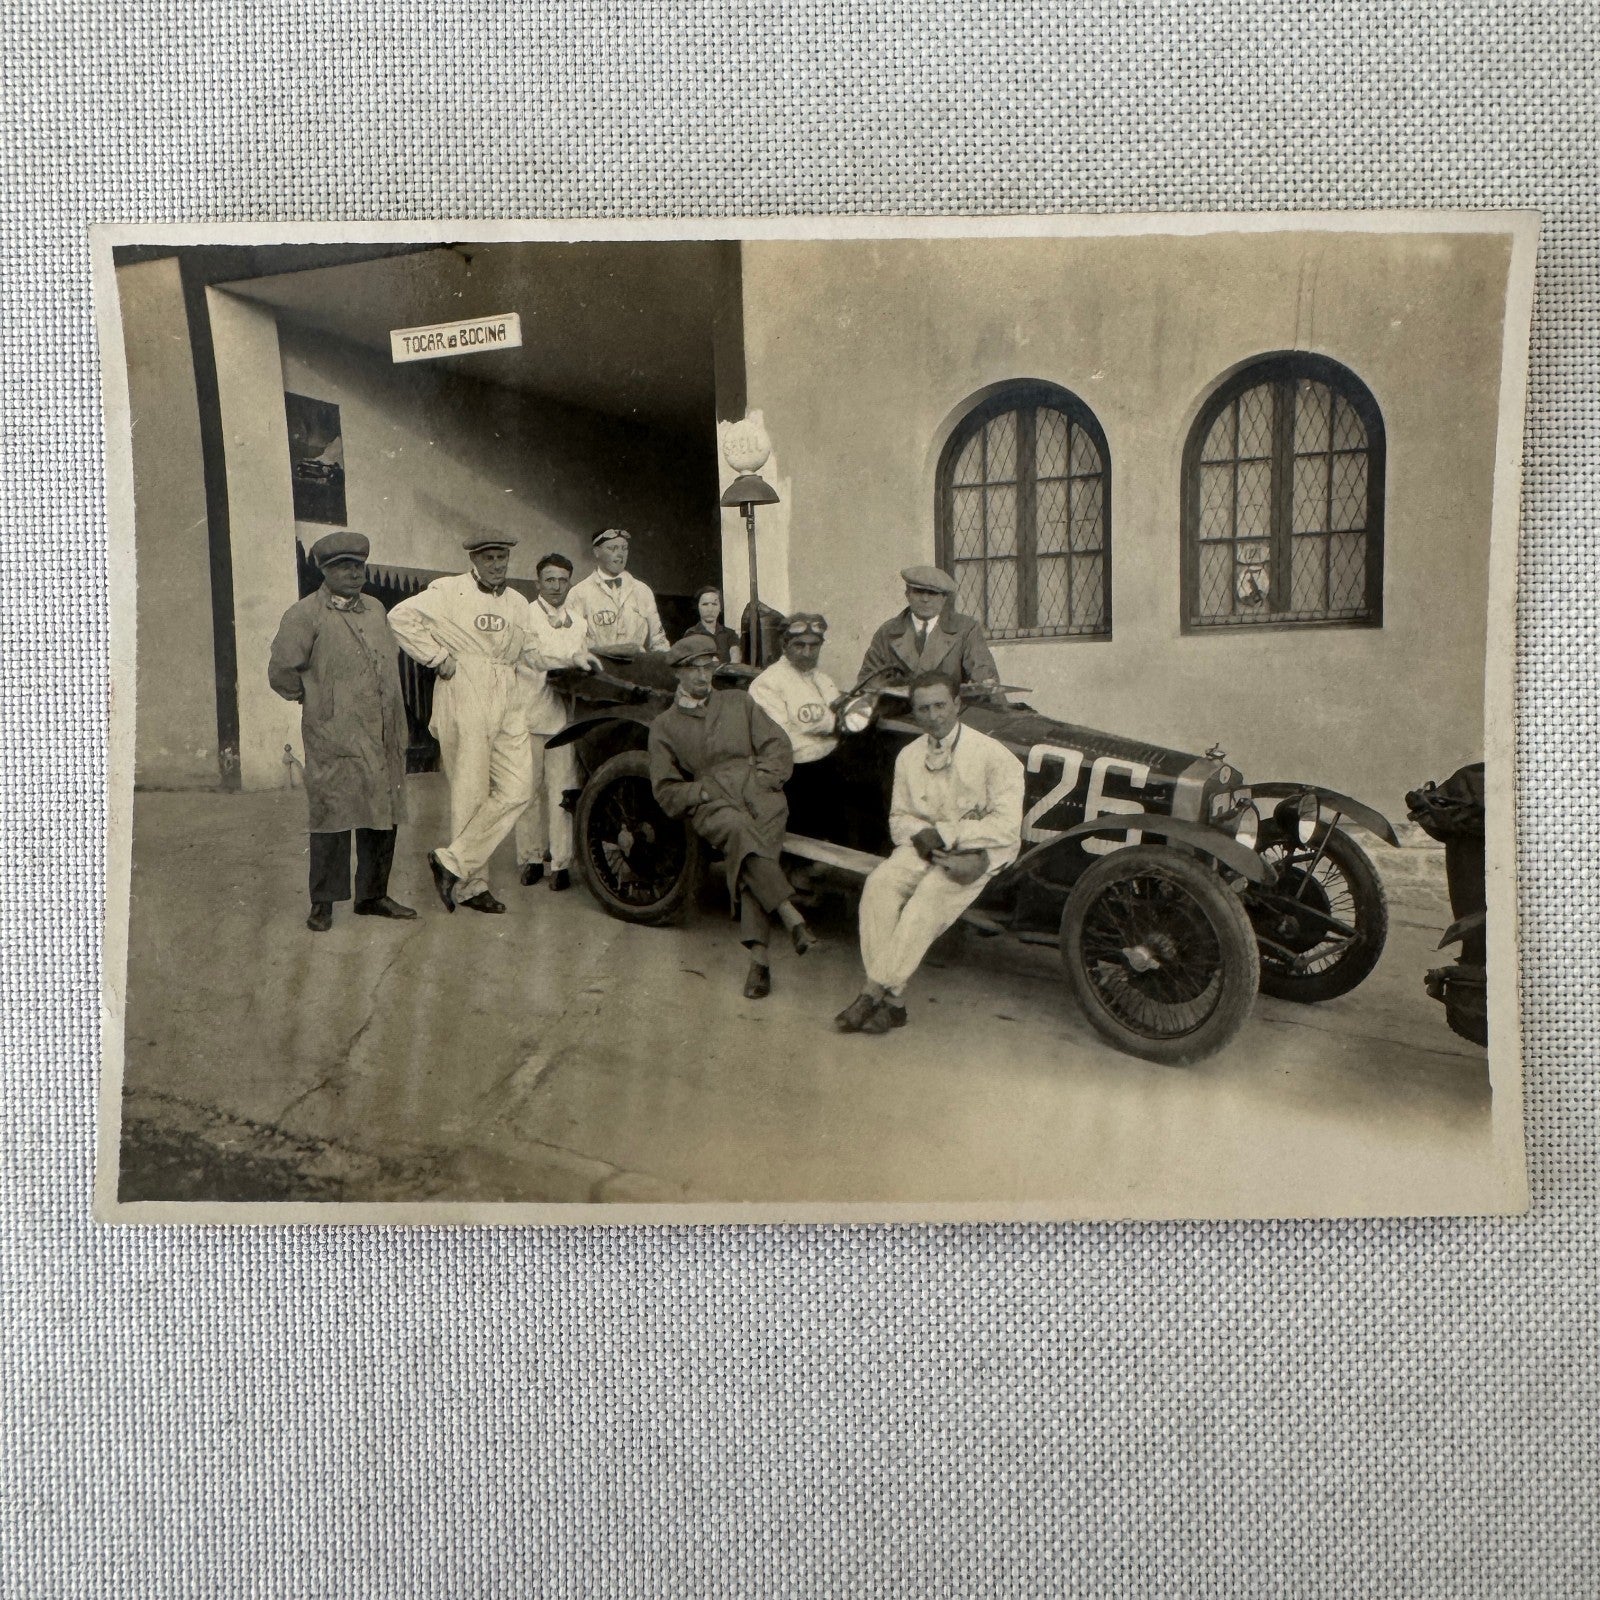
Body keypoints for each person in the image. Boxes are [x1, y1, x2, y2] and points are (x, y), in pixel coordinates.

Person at [835, 671, 1025, 1035]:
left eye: (941, 705)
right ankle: (894, 1002)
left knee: (928, 898)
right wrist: (922, 836)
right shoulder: (908, 756)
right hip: (927, 847)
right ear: (914, 713)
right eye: (923, 709)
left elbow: (1006, 828)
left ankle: (872, 991)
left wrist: (949, 834)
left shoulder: (993, 756)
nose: (934, 716)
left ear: (957, 704)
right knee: (879, 884)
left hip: (980, 853)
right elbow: (899, 819)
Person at [647, 633, 819, 999]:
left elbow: (776, 744)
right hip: (713, 805)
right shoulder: (665, 725)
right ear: (678, 673)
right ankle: (788, 918)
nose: (701, 676)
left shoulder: (739, 702)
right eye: (692, 669)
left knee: (754, 854)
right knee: (742, 833)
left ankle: (761, 962)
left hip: (761, 795)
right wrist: (702, 792)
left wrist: (766, 779)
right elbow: (665, 790)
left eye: (707, 667)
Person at [268, 531, 416, 932]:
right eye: (344, 566)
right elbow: (281, 671)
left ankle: (373, 896)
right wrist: (315, 699)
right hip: (334, 732)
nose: (354, 573)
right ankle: (324, 904)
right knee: (331, 815)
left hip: (382, 730)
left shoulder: (376, 609)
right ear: (325, 571)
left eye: (358, 565)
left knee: (382, 811)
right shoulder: (304, 614)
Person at [389, 531, 541, 914]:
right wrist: (437, 656)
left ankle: (452, 862)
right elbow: (400, 617)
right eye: (488, 557)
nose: (496, 564)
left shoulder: (520, 602)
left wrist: (575, 656)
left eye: (502, 557)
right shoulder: (448, 590)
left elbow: (533, 651)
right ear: (473, 559)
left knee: (519, 787)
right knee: (470, 791)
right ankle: (473, 888)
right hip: (465, 687)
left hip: (507, 689)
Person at [513, 552, 601, 892]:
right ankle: (532, 858)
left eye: (563, 580)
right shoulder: (525, 617)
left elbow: (586, 664)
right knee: (528, 793)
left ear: (570, 583)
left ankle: (561, 863)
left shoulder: (579, 623)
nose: (556, 586)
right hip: (527, 714)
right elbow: (532, 658)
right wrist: (569, 660)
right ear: (537, 583)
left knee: (564, 792)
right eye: (549, 579)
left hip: (564, 720)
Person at [857, 565, 1000, 695]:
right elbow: (868, 681)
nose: (925, 599)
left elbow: (983, 674)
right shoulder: (887, 632)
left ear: (944, 598)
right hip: (901, 715)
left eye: (932, 593)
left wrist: (984, 683)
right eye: (918, 592)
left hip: (951, 714)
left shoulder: (966, 629)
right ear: (908, 595)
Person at [566, 526, 668, 654]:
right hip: (598, 669)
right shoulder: (579, 593)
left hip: (636, 667)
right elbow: (571, 642)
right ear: (597, 552)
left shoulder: (642, 590)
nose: (620, 554)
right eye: (612, 548)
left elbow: (659, 640)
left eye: (624, 549)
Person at [677, 584, 743, 664]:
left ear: (720, 608)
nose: (710, 609)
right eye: (705, 604)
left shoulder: (730, 634)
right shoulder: (691, 634)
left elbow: (735, 655)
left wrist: (733, 664)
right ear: (698, 607)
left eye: (714, 604)